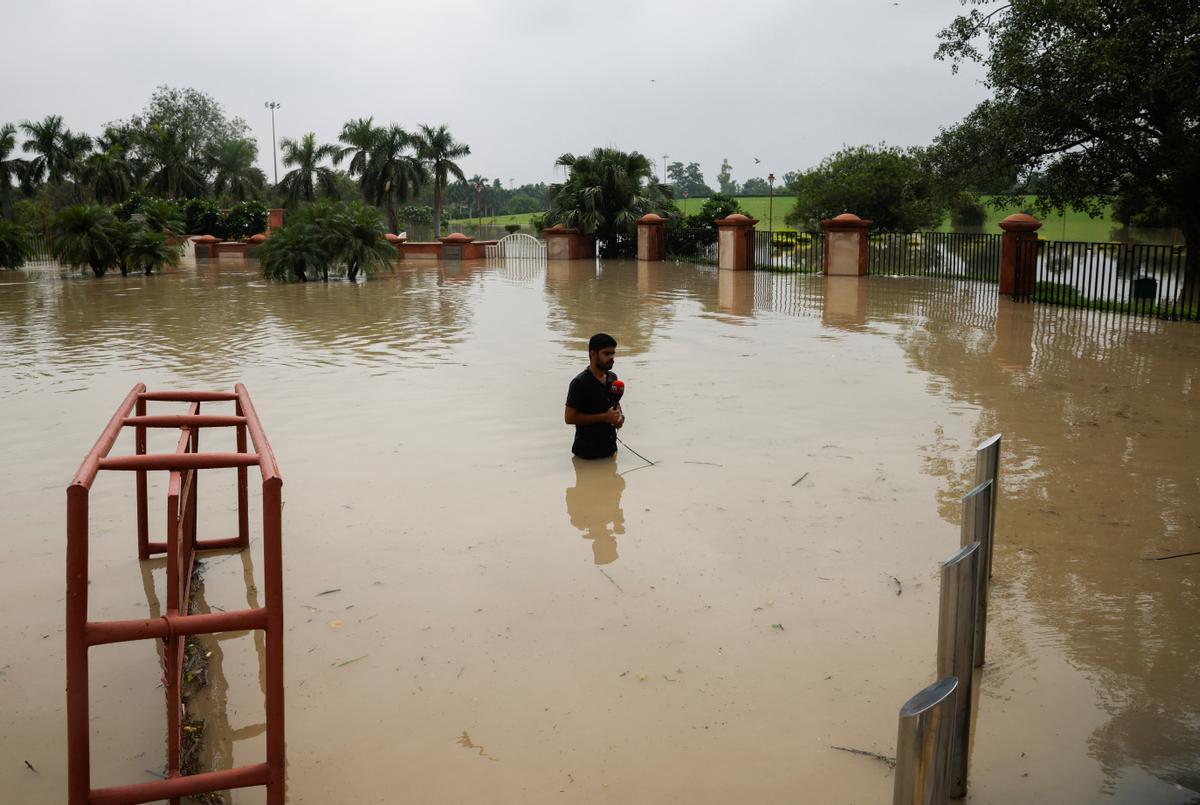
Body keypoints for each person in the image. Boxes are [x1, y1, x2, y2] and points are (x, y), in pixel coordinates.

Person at [564, 333, 625, 459]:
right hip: (587, 455)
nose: (611, 357)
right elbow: (569, 418)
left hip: (610, 451)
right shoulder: (579, 383)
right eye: (606, 353)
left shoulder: (612, 377)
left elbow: (616, 404)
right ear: (593, 354)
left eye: (613, 353)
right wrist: (604, 417)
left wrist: (619, 418)